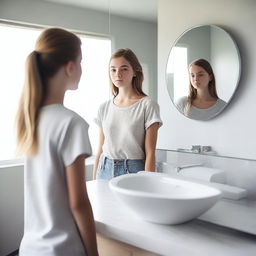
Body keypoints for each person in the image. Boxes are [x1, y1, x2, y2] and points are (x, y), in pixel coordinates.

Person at [16, 28, 98, 256]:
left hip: (31, 247)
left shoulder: (31, 119)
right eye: (81, 61)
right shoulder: (71, 124)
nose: (82, 68)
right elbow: (78, 203)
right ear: (70, 67)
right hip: (62, 249)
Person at [93, 48, 162, 180]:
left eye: (124, 69)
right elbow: (100, 149)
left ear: (135, 71)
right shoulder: (104, 107)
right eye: (113, 69)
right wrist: (94, 180)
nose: (117, 74)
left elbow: (150, 152)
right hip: (104, 167)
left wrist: (150, 184)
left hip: (133, 171)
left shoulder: (147, 105)